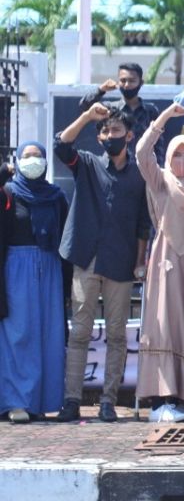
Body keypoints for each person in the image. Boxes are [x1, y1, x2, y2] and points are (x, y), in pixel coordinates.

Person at [55, 104, 150, 423]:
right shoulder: (87, 164)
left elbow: (142, 224)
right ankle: (71, 400)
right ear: (99, 137)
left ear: (130, 136)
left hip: (121, 264)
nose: (112, 136)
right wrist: (86, 117)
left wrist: (140, 262)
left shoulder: (138, 176)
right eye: (106, 132)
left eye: (117, 131)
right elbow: (61, 145)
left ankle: (108, 401)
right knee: (80, 332)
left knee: (117, 335)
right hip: (86, 258)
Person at [135, 104, 184, 422]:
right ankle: (161, 400)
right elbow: (141, 152)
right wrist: (165, 118)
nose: (181, 161)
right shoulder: (162, 182)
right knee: (163, 325)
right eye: (176, 155)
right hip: (166, 263)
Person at [0, 142, 69, 423]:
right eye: (26, 157)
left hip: (50, 268)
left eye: (38, 156)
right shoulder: (8, 194)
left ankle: (42, 400)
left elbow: (66, 235)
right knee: (19, 333)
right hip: (17, 267)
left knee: (47, 334)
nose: (33, 161)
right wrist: (5, 170)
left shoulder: (56, 196)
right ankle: (16, 400)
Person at [78, 62, 164, 164]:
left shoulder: (150, 111)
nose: (127, 85)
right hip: (113, 167)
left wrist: (158, 169)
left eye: (132, 81)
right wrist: (101, 89)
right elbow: (84, 106)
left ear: (141, 83)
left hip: (143, 169)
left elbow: (158, 142)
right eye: (123, 80)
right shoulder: (109, 108)